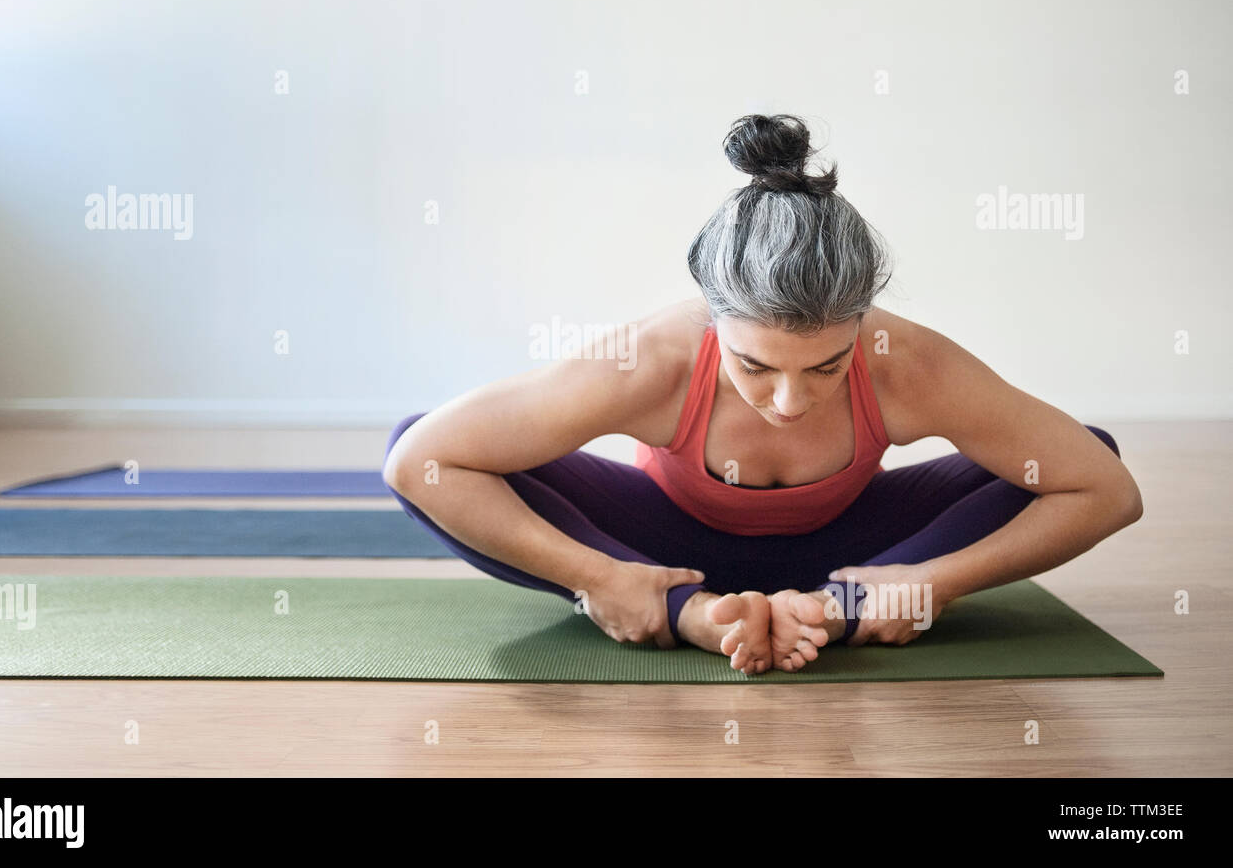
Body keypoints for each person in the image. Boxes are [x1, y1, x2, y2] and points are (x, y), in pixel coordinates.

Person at [382, 113, 1143, 675]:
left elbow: (1106, 488)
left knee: (1077, 455)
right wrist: (601, 578)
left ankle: (834, 611)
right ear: (712, 325)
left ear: (860, 327)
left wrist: (929, 582)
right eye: (755, 366)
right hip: (660, 551)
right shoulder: (653, 359)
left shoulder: (902, 361)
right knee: (427, 447)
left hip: (860, 550)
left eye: (825, 366)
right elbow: (422, 462)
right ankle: (694, 616)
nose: (788, 401)